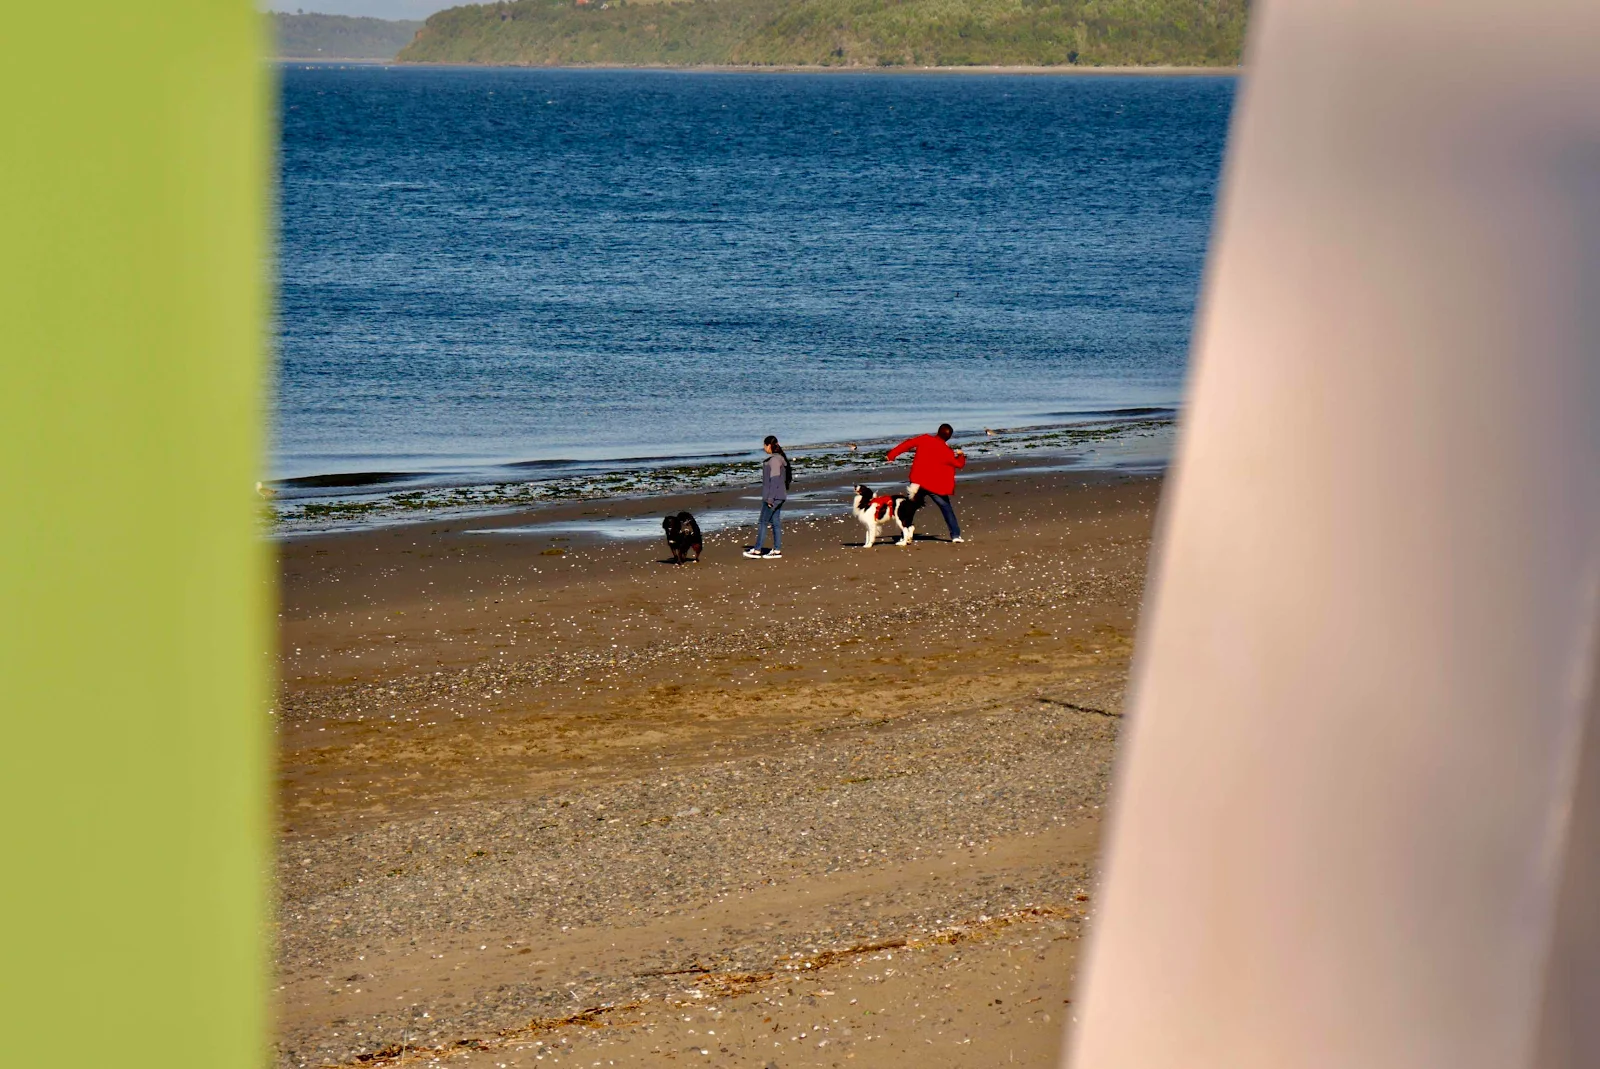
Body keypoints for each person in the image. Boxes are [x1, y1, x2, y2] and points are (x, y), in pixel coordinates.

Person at [886, 423, 967, 542]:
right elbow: (959, 464)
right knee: (946, 508)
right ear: (949, 437)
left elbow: (907, 444)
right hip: (935, 486)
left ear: (938, 432)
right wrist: (961, 455)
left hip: (918, 482)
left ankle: (905, 534)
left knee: (910, 509)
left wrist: (892, 454)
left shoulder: (925, 439)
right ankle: (955, 535)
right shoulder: (947, 451)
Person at [744, 435, 791, 559]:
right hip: (780, 496)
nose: (764, 448)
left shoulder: (774, 460)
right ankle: (777, 550)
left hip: (773, 497)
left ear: (769, 445)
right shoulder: (779, 459)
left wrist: (770, 498)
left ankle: (757, 550)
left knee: (763, 522)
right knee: (775, 522)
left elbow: (774, 481)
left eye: (764, 445)